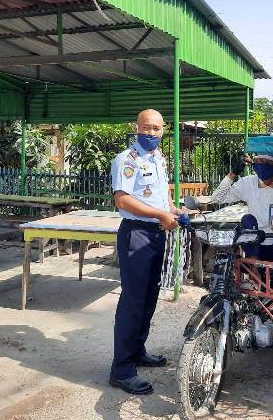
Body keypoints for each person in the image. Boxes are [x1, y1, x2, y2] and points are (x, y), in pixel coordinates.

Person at [108, 109, 184, 395]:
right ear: (136, 128)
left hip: (156, 234)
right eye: (146, 128)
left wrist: (176, 211)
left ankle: (137, 350)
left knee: (149, 297)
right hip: (136, 235)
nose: (151, 133)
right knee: (133, 301)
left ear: (163, 131)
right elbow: (124, 201)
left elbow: (160, 198)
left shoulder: (158, 159)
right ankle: (122, 369)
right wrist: (161, 216)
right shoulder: (127, 160)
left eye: (156, 128)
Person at [211, 153, 273, 262]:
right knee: (247, 219)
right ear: (254, 164)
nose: (262, 166)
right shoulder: (247, 182)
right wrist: (233, 174)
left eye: (267, 163)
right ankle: (254, 269)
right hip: (255, 241)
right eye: (259, 162)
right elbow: (217, 198)